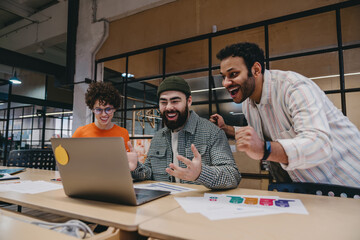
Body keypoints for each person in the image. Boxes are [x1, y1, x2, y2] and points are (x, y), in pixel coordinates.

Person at [210, 42, 360, 187]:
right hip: (309, 190)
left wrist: (264, 149)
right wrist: (226, 129)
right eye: (223, 76)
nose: (225, 83)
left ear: (256, 70)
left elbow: (319, 144)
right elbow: (257, 136)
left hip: (347, 182)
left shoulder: (293, 87)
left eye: (233, 74)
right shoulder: (247, 104)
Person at [128, 76, 241, 189]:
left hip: (199, 204)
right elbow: (149, 173)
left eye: (175, 101)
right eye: (163, 102)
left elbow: (232, 175)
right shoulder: (158, 137)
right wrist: (135, 167)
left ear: (189, 101)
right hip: (164, 204)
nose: (168, 107)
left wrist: (200, 173)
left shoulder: (213, 132)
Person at [72, 81, 130, 151]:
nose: (103, 114)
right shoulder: (80, 132)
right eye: (98, 109)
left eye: (108, 109)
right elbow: (72, 158)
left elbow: (125, 160)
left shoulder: (123, 133)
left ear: (114, 109)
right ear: (92, 110)